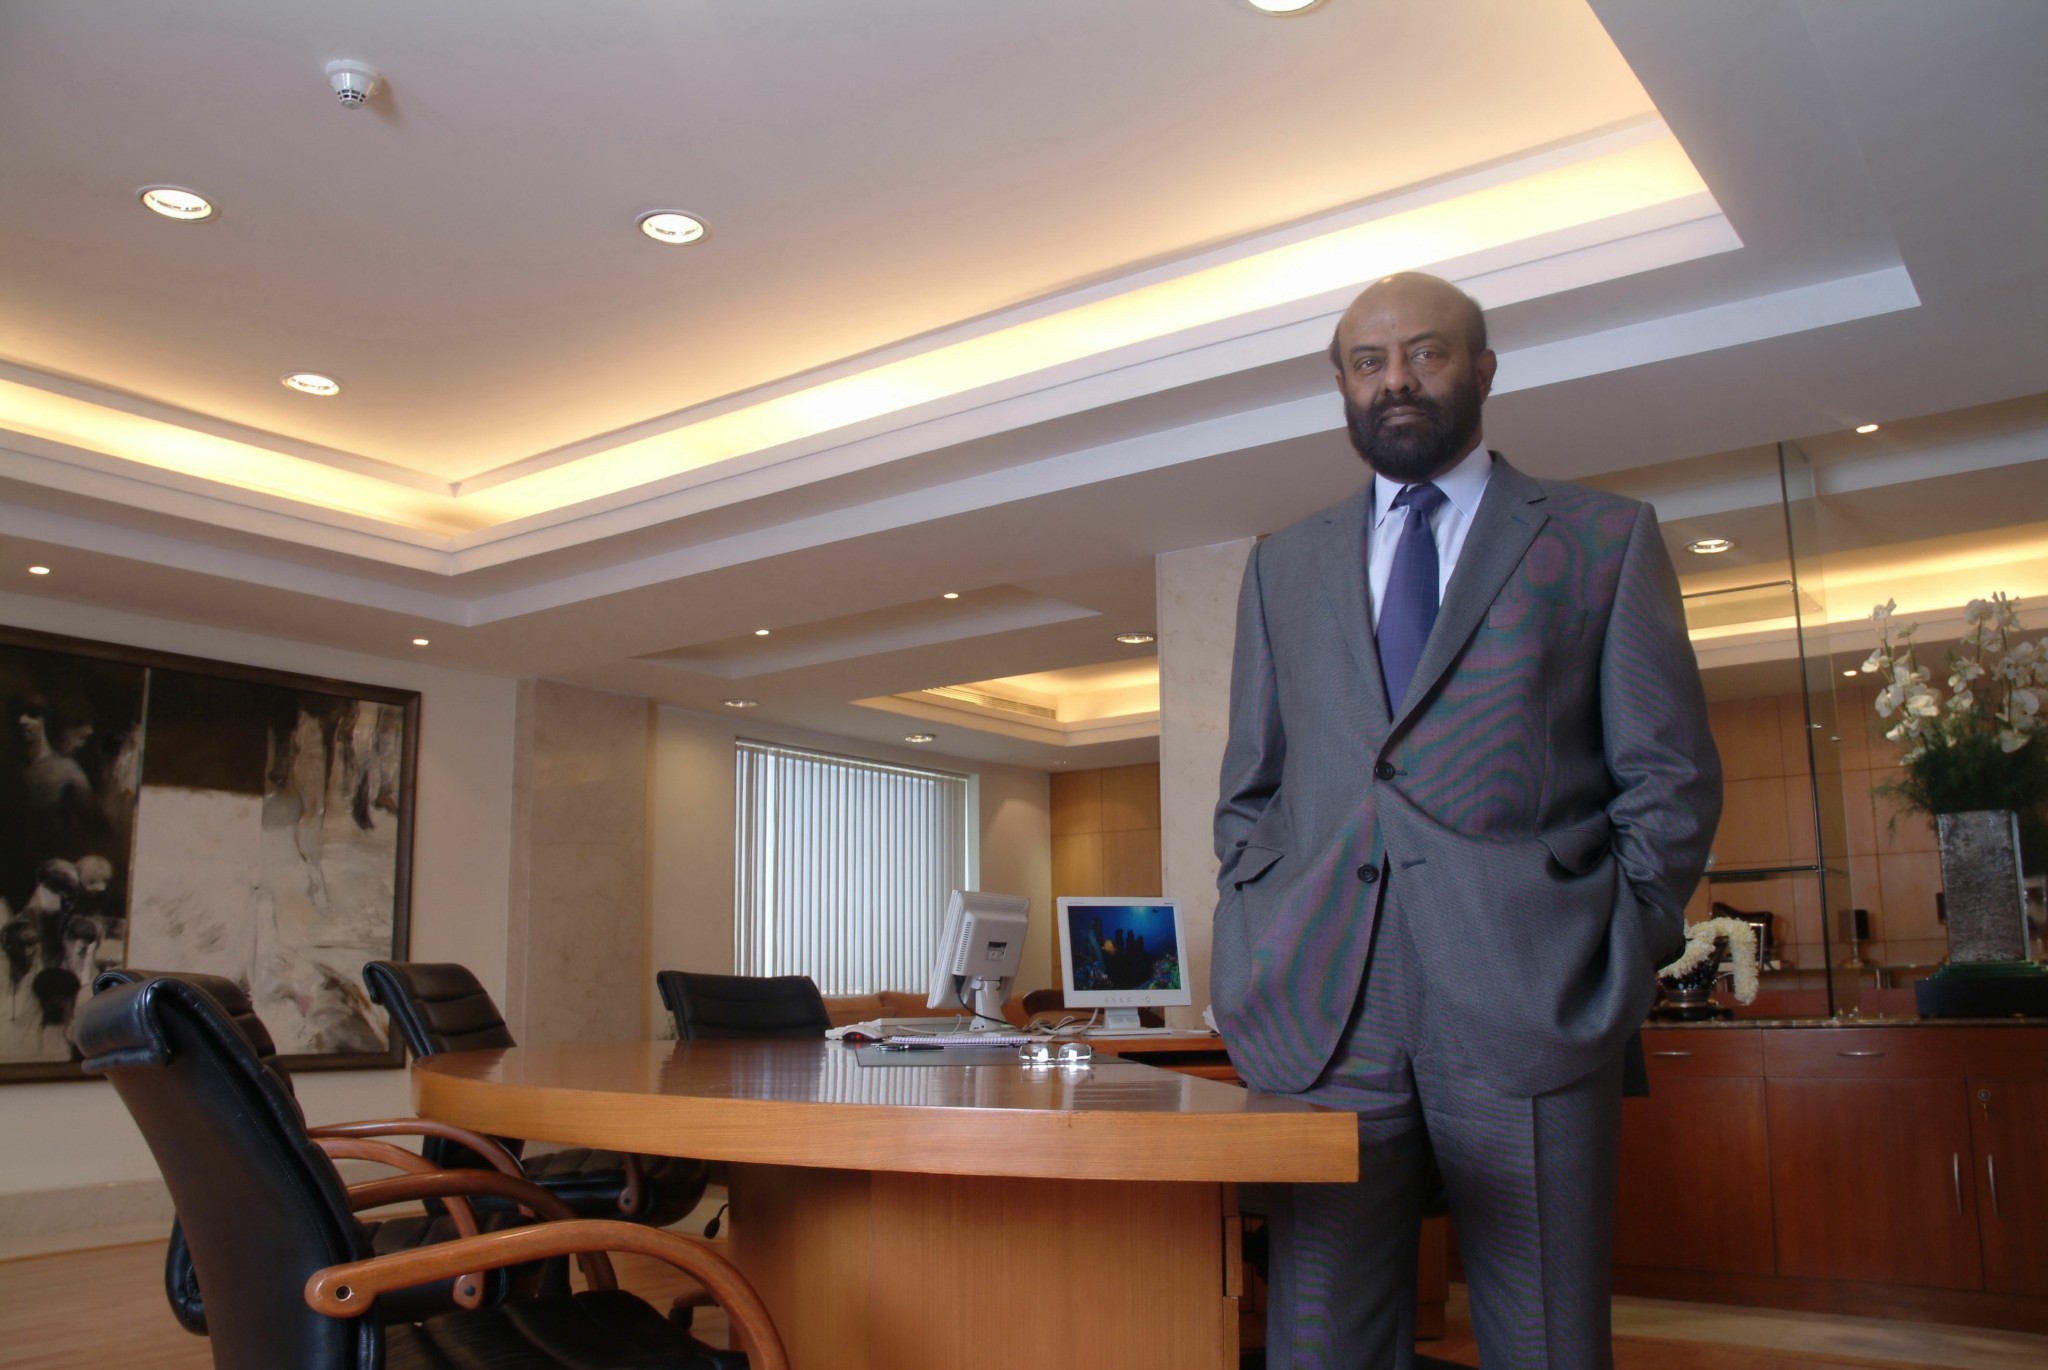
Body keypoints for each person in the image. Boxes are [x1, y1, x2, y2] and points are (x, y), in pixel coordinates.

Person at [1212, 272, 1721, 1369]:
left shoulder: (1601, 536)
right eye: (1368, 361)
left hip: (1531, 990)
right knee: (1320, 1341)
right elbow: (1252, 787)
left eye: (1426, 352)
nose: (1395, 379)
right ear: (1342, 386)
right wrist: (1255, 925)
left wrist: (1615, 938)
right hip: (1323, 1009)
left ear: (1482, 369)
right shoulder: (1281, 563)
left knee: (1544, 1338)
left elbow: (1670, 778)